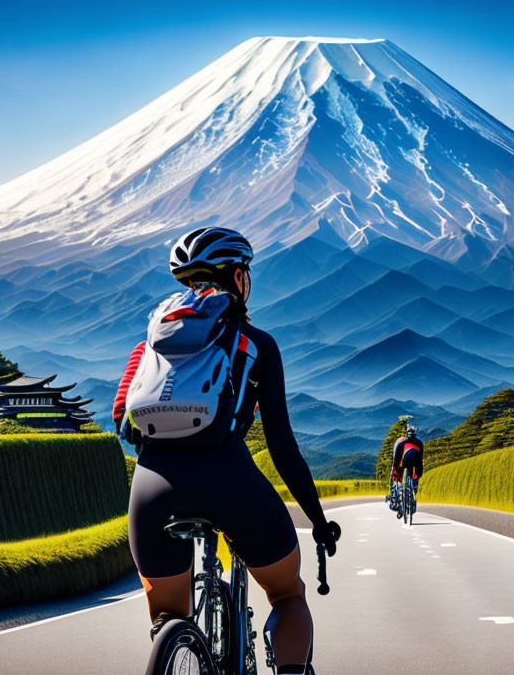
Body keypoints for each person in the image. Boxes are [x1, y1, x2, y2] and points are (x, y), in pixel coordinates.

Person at [112, 227, 339, 674]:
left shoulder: (148, 349)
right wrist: (317, 522)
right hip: (230, 481)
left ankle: (177, 647)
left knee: (167, 620)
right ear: (239, 278)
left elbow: (124, 420)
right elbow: (282, 446)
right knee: (287, 594)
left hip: (153, 488)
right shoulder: (257, 345)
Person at [388, 427, 424, 511]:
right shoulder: (419, 442)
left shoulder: (402, 442)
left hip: (405, 461)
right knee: (415, 477)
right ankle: (413, 493)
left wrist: (395, 468)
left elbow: (397, 458)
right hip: (417, 460)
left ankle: (403, 490)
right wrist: (419, 473)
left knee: (402, 470)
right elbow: (421, 455)